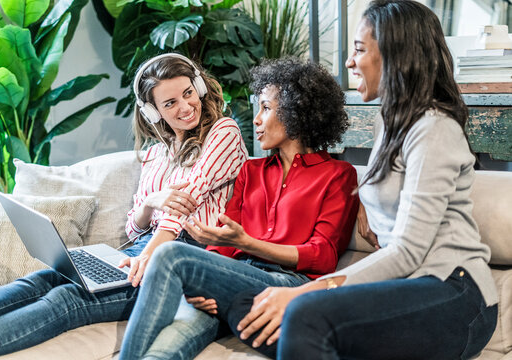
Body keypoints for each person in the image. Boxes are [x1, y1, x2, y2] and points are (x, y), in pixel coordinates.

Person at [227, 1, 499, 359]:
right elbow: (393, 194)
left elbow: (409, 250)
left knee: (303, 313)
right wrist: (364, 205)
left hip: (454, 291)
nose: (348, 62)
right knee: (247, 305)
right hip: (404, 288)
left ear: (395, 54)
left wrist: (309, 291)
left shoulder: (433, 128)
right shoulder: (388, 123)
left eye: (358, 49)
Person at [0, 53, 248, 359]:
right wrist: (150, 204)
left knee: (67, 300)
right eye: (170, 103)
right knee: (42, 279)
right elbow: (134, 225)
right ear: (153, 112)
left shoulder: (223, 132)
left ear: (198, 87)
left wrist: (147, 257)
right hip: (143, 249)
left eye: (187, 93)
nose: (185, 107)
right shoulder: (156, 154)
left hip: (184, 255)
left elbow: (185, 203)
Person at [117, 57, 360, 360]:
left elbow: (322, 256)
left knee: (169, 253)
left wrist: (246, 244)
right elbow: (225, 242)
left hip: (287, 282)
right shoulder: (251, 171)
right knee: (165, 350)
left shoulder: (338, 175)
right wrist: (209, 280)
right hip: (238, 278)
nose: (256, 120)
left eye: (266, 108)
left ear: (298, 111)